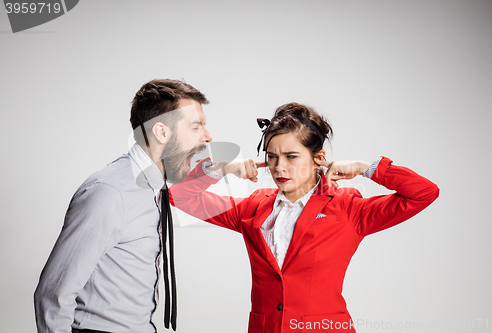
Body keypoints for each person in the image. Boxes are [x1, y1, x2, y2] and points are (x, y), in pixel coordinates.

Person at [170, 102, 439, 333]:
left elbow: (424, 193)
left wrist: (365, 168)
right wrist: (222, 170)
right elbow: (180, 197)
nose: (279, 167)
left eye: (291, 156)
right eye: (272, 157)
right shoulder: (253, 208)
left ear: (318, 158)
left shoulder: (348, 208)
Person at [34, 79, 212, 333]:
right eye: (196, 127)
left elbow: (190, 191)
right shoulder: (109, 193)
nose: (207, 137)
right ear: (161, 132)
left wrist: (228, 168)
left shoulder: (153, 188)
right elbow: (52, 295)